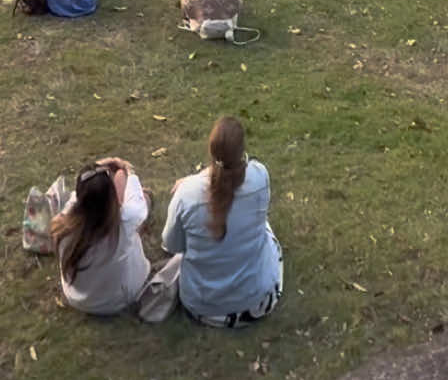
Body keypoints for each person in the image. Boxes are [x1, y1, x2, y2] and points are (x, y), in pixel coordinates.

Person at [161, 116, 283, 327]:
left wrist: (190, 182)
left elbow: (171, 245)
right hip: (258, 301)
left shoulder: (186, 194)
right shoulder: (260, 176)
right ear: (242, 152)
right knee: (264, 226)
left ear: (211, 152)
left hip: (202, 307)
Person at [52, 157, 151, 316]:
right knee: (145, 198)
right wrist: (128, 171)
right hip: (119, 299)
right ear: (112, 199)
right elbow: (137, 203)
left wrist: (96, 168)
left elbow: (77, 197)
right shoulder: (127, 220)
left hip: (77, 298)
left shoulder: (62, 225)